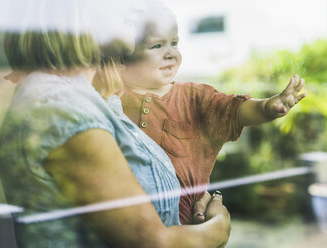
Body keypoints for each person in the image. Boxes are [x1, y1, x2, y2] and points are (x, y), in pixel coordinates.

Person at [0, 1, 231, 247]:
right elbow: (152, 243)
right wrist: (217, 227)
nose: (137, 6)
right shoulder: (62, 105)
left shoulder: (91, 99)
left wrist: (192, 197)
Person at [120, 1, 306, 224]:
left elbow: (233, 110)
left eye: (174, 43)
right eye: (156, 46)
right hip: (126, 221)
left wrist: (267, 106)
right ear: (125, 56)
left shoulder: (195, 98)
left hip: (183, 223)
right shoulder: (113, 97)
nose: (170, 53)